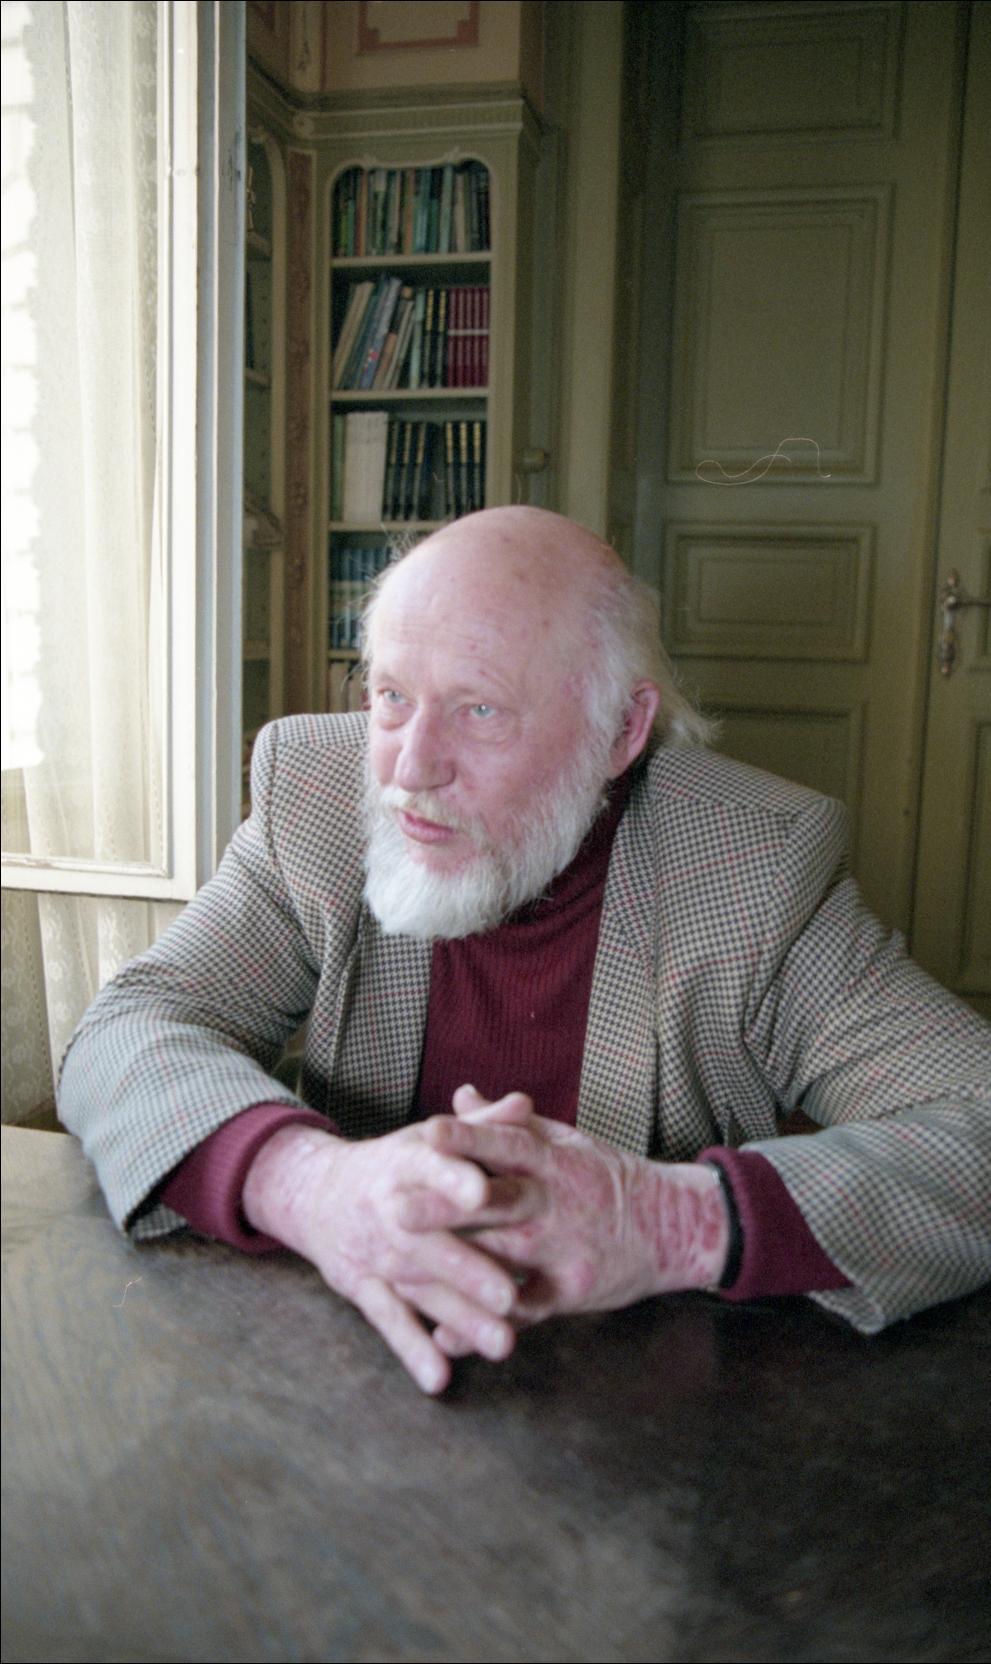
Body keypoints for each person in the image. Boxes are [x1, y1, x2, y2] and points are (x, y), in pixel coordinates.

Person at [58, 507, 991, 1394]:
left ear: (620, 729)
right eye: (391, 696)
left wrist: (671, 1221)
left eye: (480, 711)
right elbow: (132, 1026)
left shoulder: (748, 868)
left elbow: (975, 1119)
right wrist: (308, 1185)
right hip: (347, 1375)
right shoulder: (314, 793)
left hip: (644, 1405)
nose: (409, 769)